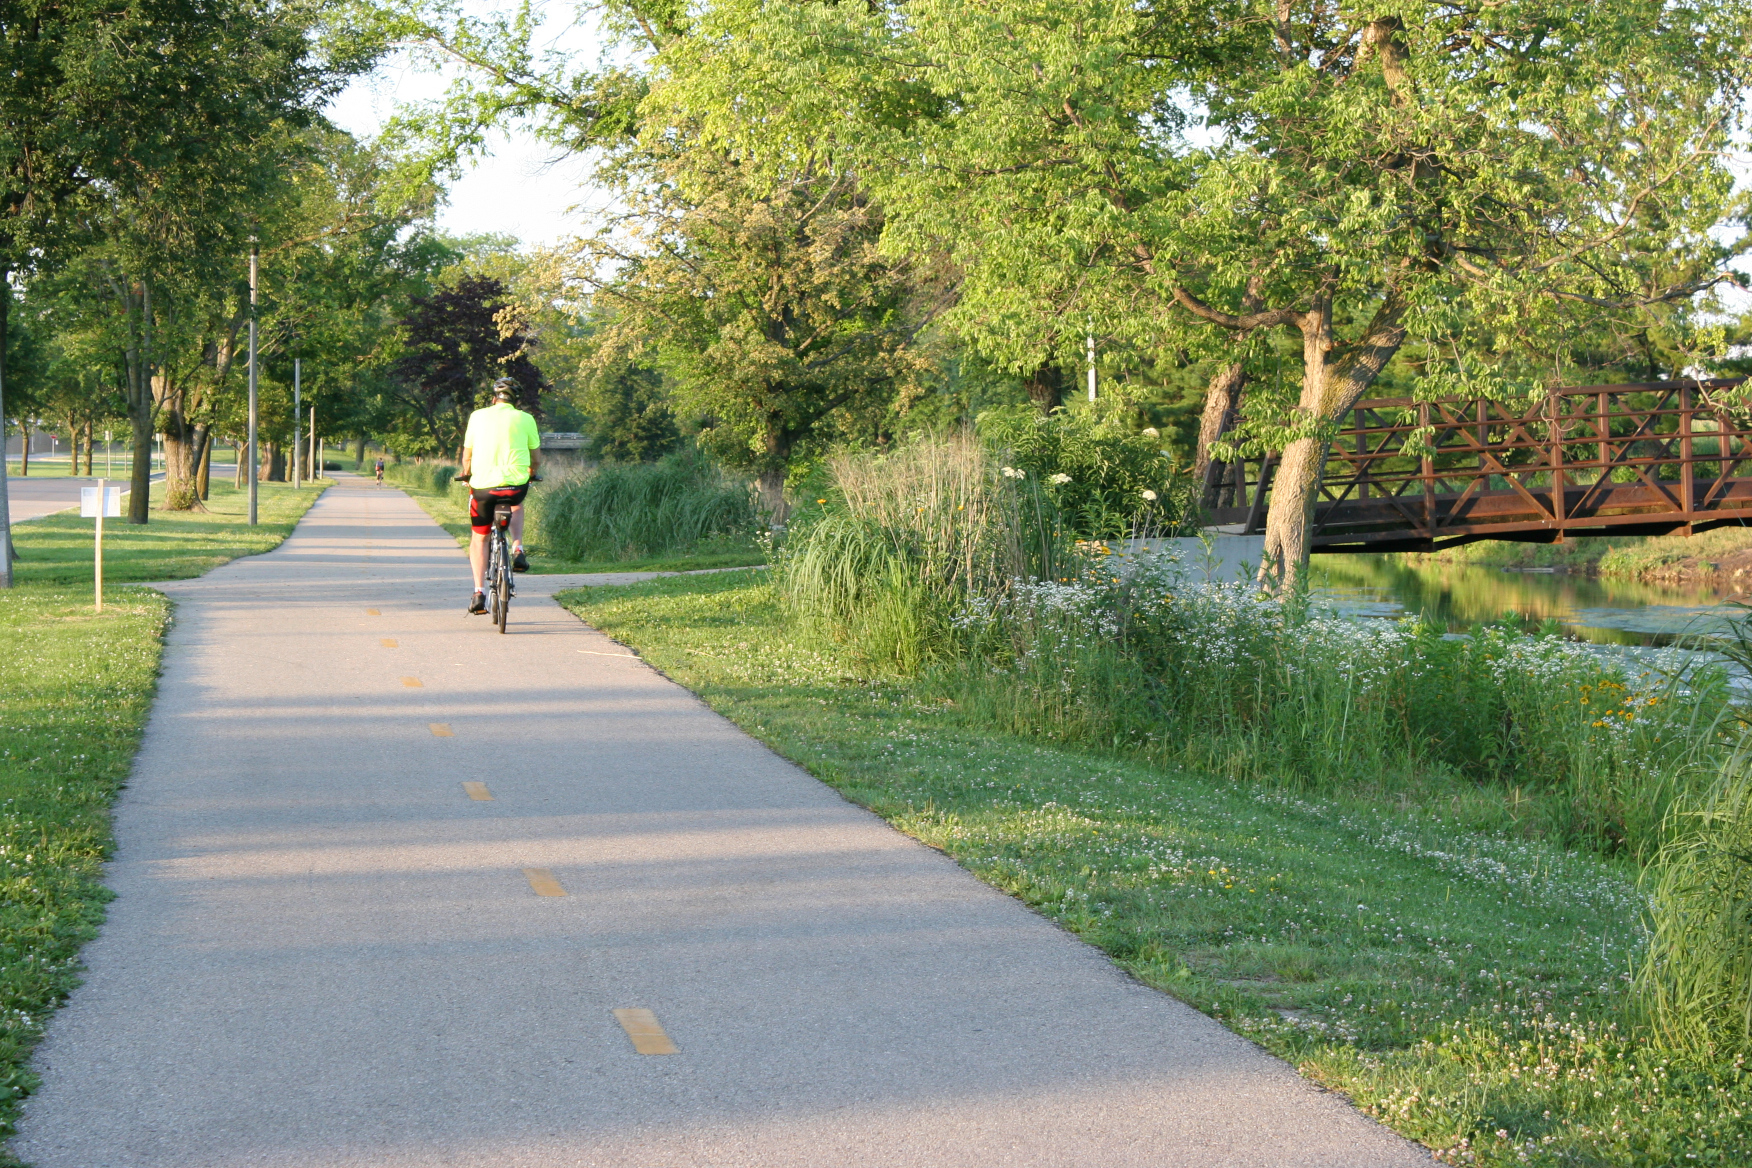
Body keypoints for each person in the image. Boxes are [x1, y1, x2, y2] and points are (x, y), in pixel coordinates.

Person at [459, 379, 541, 614]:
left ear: (494, 398)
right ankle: (517, 548)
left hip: (483, 488)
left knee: (480, 538)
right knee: (516, 504)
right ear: (516, 401)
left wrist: (466, 474)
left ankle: (478, 593)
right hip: (515, 486)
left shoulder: (477, 416)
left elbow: (467, 456)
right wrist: (531, 473)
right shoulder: (526, 418)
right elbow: (536, 458)